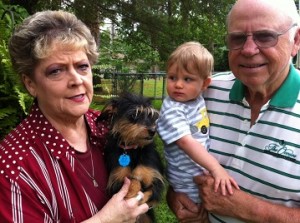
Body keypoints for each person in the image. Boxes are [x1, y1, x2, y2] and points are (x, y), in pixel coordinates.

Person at [0, 10, 148, 222]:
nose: (76, 80)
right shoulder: (15, 166)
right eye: (56, 71)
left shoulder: (109, 127)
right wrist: (106, 219)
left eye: (82, 67)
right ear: (30, 84)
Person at [167, 0, 300, 222]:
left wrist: (245, 208)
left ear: (295, 40)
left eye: (265, 36)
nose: (248, 49)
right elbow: (177, 155)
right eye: (237, 38)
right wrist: (176, 196)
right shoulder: (204, 92)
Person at [157, 41, 239, 204]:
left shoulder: (196, 99)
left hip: (198, 171)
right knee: (197, 213)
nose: (178, 84)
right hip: (187, 179)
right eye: (172, 77)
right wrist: (216, 168)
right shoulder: (173, 108)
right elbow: (185, 141)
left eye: (187, 79)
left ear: (205, 84)